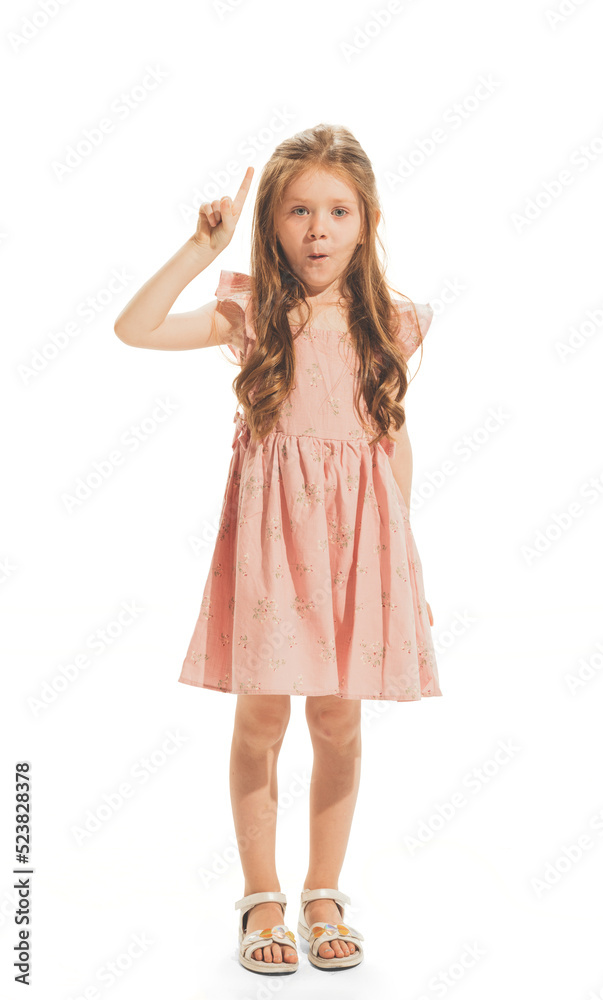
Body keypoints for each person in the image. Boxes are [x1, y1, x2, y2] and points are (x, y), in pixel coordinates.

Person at [114, 123, 442, 975]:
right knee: (261, 716)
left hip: (354, 554)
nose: (317, 230)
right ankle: (261, 895)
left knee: (338, 719)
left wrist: (403, 565)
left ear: (366, 222)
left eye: (337, 211)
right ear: (272, 220)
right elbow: (134, 329)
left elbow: (390, 444)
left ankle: (322, 890)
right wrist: (199, 248)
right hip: (270, 552)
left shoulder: (389, 323)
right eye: (298, 210)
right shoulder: (254, 310)